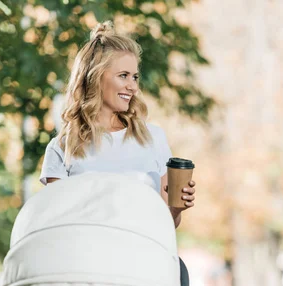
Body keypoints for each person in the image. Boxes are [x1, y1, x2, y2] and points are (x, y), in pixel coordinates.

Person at [39, 21, 195, 228]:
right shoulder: (62, 148)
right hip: (88, 257)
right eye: (123, 76)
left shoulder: (153, 138)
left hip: (144, 254)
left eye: (135, 77)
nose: (132, 87)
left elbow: (166, 227)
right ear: (94, 77)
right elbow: (58, 227)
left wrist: (176, 210)